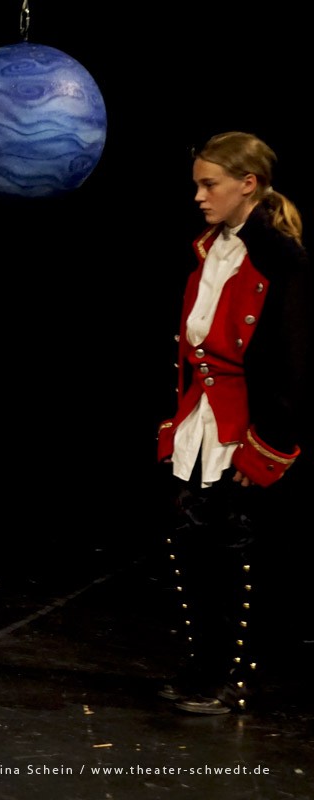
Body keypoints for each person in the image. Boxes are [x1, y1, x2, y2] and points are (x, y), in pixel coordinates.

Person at [156, 131, 309, 715]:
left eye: (209, 184)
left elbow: (293, 363)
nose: (199, 196)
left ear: (248, 184)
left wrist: (266, 446)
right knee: (193, 545)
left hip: (246, 426)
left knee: (239, 555)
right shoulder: (210, 249)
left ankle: (235, 679)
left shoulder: (281, 260)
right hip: (203, 418)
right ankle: (204, 667)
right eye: (197, 184)